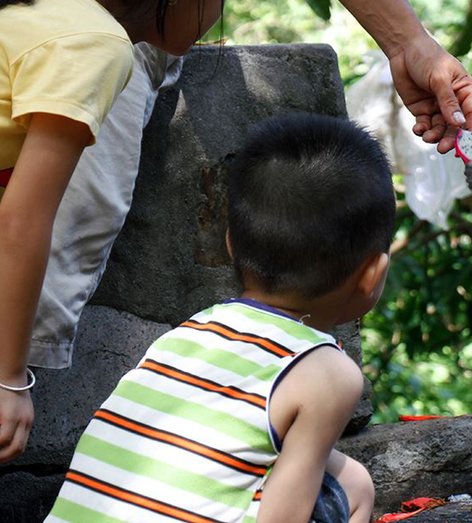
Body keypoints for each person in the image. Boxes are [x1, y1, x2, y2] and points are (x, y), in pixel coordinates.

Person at [0, 0, 472, 464]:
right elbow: (24, 219)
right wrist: (9, 380)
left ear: (229, 241)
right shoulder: (94, 45)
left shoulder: (177, 345)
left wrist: (409, 46)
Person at [47, 113, 393, 523]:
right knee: (355, 487)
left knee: (340, 469)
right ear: (373, 274)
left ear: (231, 243)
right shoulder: (329, 374)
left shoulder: (190, 332)